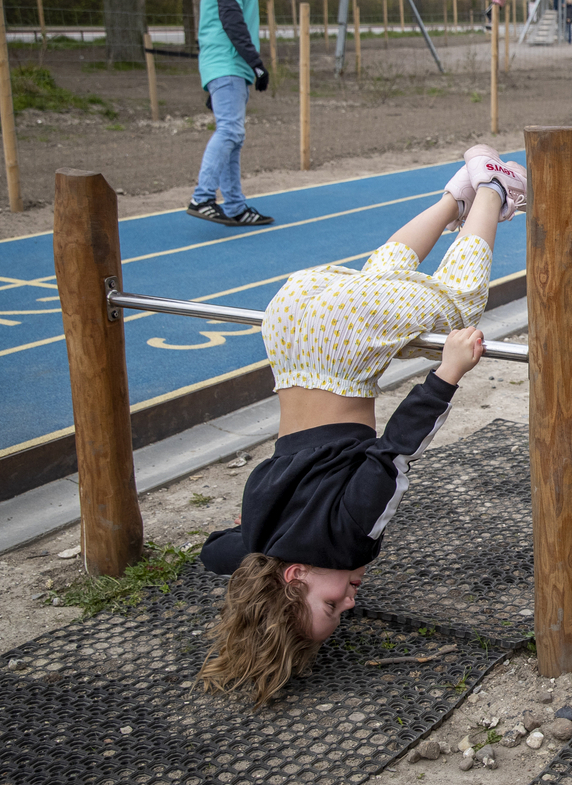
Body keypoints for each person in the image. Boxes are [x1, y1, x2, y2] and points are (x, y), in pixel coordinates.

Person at [196, 146, 529, 705]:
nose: (348, 603)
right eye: (341, 613)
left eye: (330, 606)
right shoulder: (259, 548)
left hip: (340, 352)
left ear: (294, 578)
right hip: (291, 320)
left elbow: (394, 451)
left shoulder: (348, 540)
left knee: (459, 306)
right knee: (383, 275)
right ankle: (456, 195)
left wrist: (446, 373)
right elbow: (212, 553)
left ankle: (493, 188)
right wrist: (246, 526)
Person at [187, 0, 273, 227]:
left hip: (226, 64)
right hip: (228, 63)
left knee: (234, 137)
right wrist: (255, 62)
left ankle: (235, 206)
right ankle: (203, 196)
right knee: (230, 132)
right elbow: (231, 16)